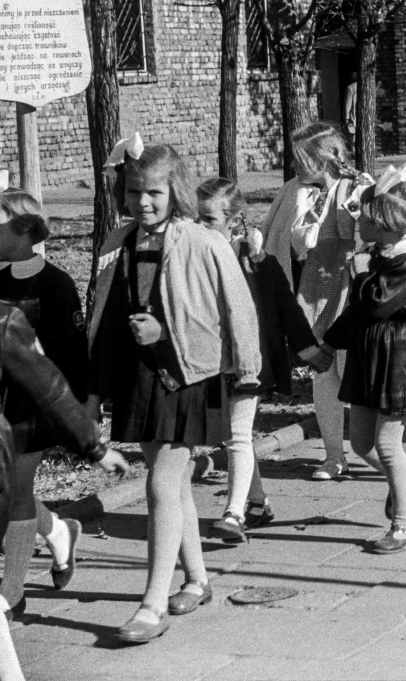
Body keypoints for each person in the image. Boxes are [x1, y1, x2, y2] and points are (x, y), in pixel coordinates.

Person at [89, 139, 261, 643]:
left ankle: (151, 605)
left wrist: (245, 367)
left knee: (162, 483)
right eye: (135, 191)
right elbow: (102, 318)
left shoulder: (203, 241)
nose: (144, 201)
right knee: (176, 484)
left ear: (175, 190)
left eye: (155, 192)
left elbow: (235, 309)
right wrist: (95, 388)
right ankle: (198, 578)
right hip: (137, 377)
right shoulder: (118, 243)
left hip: (188, 374)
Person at [312, 163, 406, 554]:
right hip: (369, 353)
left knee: (387, 444)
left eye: (363, 218)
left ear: (385, 221)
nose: (356, 225)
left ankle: (404, 524)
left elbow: (378, 305)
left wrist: (362, 272)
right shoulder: (376, 254)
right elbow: (355, 311)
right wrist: (328, 345)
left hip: (396, 355)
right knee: (362, 443)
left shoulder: (405, 261)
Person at [0, 305, 129, 663]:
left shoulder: (4, 321)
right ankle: (58, 532)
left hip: (19, 428)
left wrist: (94, 446)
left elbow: (50, 389)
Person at [196, 178, 310, 544]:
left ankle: (233, 514)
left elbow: (287, 307)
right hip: (210, 361)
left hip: (248, 362)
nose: (200, 226)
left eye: (209, 219)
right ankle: (257, 502)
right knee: (232, 436)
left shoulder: (256, 262)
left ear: (234, 220)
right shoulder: (191, 257)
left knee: (238, 437)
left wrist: (308, 349)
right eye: (195, 218)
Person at [0, 191, 91, 618]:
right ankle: (58, 531)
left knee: (17, 492)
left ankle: (12, 593)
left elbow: (72, 355)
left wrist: (82, 411)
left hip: (30, 410)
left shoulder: (54, 284)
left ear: (22, 229)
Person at [261, 121, 367, 481]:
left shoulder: (357, 187)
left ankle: (379, 450)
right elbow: (277, 236)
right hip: (315, 292)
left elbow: (370, 235)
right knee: (324, 374)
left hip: (351, 292)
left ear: (323, 159)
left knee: (353, 370)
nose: (294, 165)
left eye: (301, 158)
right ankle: (334, 455)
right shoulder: (295, 190)